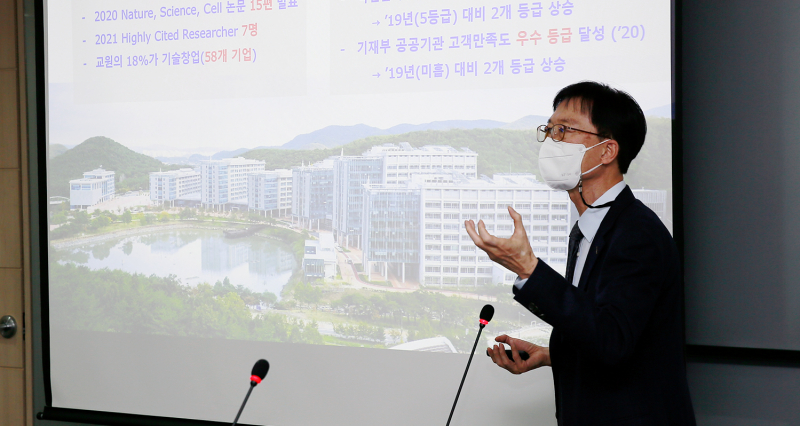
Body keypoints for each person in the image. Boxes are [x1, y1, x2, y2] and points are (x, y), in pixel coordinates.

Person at [465, 82, 696, 425]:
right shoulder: (590, 227)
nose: (551, 140)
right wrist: (551, 354)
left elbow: (613, 341)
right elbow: (604, 328)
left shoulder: (637, 233)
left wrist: (529, 269)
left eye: (565, 130)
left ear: (607, 151)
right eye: (549, 129)